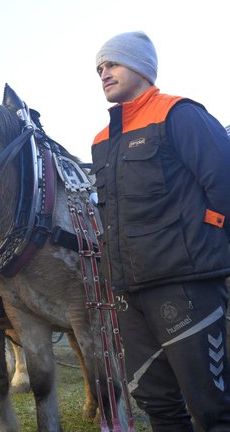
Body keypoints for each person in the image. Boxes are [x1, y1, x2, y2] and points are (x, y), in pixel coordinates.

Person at [92, 31, 230, 431]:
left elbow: (223, 181)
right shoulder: (102, 141)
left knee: (211, 407)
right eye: (99, 68)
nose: (103, 73)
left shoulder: (179, 115)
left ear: (140, 66)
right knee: (156, 403)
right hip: (130, 294)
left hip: (186, 287)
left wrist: (206, 239)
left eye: (112, 64)